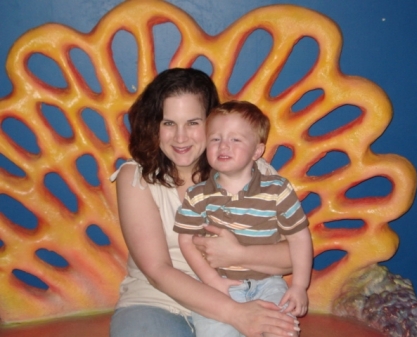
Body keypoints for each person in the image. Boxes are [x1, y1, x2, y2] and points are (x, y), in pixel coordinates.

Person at [109, 68, 300, 337]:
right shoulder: (136, 177)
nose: (181, 137)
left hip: (247, 292)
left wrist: (240, 255)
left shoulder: (252, 169)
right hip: (158, 301)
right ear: (153, 126)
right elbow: (157, 271)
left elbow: (294, 255)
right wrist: (236, 314)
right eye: (169, 123)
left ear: (212, 121)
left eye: (193, 122)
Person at [174, 100, 313, 337]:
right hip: (219, 285)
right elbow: (186, 241)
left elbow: (300, 238)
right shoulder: (197, 196)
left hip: (269, 283)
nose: (223, 146)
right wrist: (211, 280)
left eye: (235, 139)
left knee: (282, 331)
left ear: (257, 151)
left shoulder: (278, 190)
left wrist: (300, 286)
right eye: (215, 139)